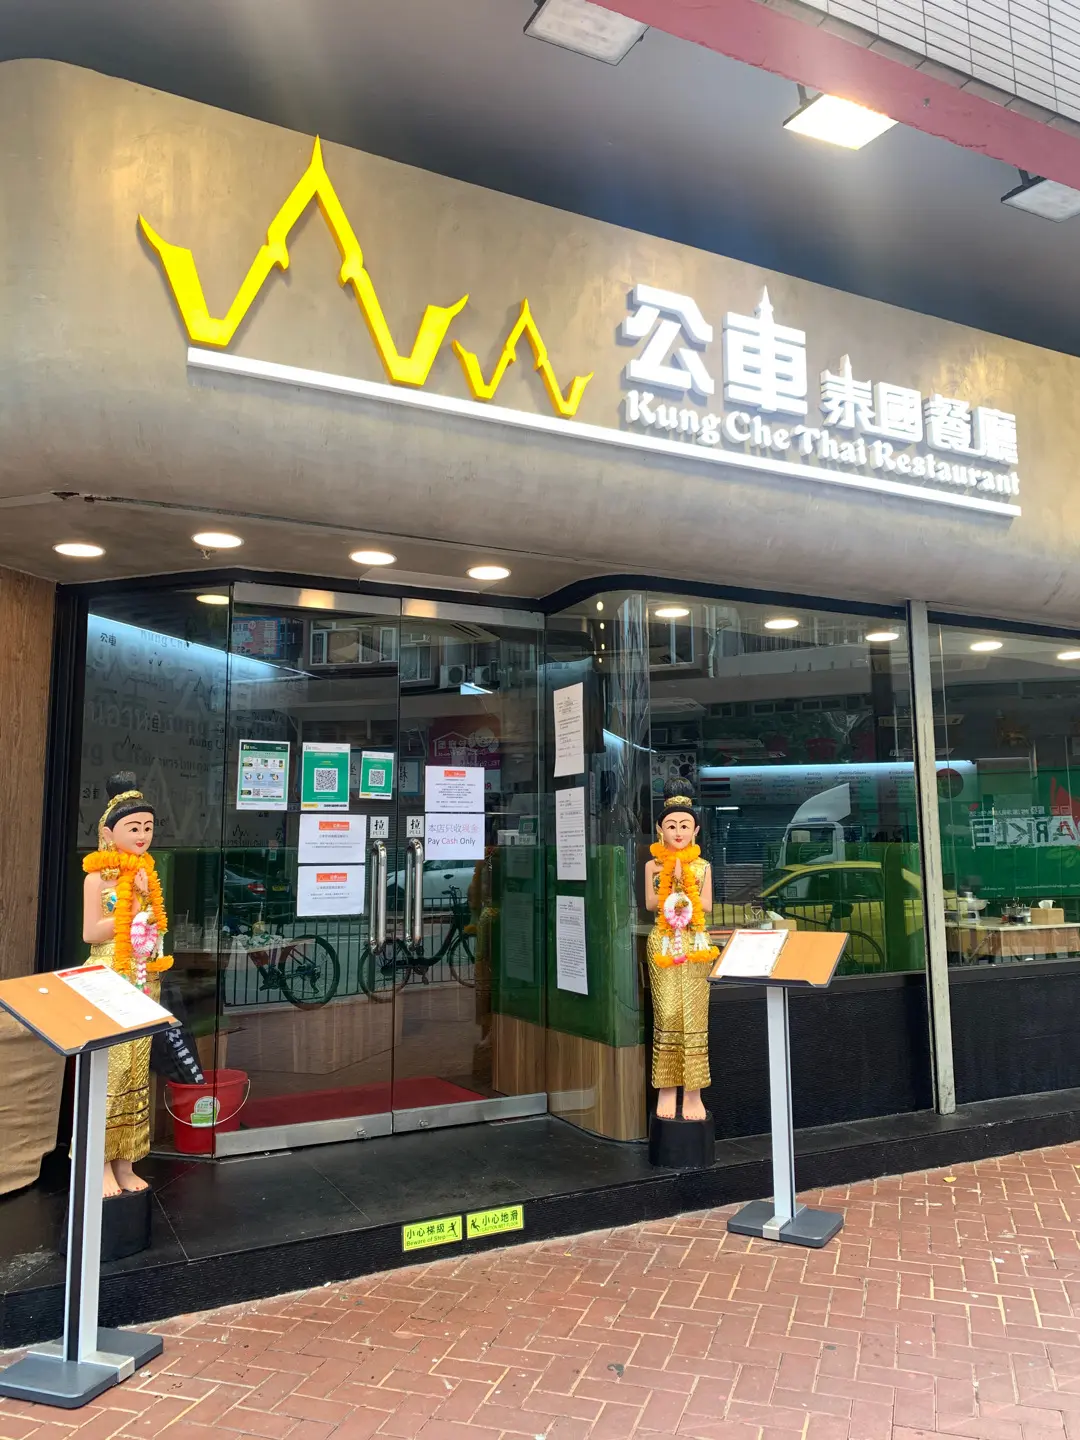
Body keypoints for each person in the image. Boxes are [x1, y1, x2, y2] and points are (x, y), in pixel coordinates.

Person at [81, 772, 172, 1197]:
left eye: (147, 828)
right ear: (108, 833)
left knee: (137, 1071)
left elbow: (153, 928)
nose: (142, 836)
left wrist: (146, 913)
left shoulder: (147, 875)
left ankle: (126, 1160)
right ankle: (97, 1163)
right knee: (110, 1074)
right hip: (109, 974)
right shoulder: (98, 878)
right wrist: (132, 910)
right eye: (133, 828)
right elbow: (91, 932)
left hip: (141, 975)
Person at [644, 782, 719, 1122]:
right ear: (660, 829)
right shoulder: (653, 866)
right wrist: (670, 883)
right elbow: (650, 904)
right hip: (663, 941)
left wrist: (682, 883)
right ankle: (667, 1088)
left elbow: (707, 905)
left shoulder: (702, 867)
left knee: (694, 1017)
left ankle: (693, 1092)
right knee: (668, 1014)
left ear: (695, 830)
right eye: (671, 825)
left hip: (694, 943)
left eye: (685, 826)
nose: (678, 832)